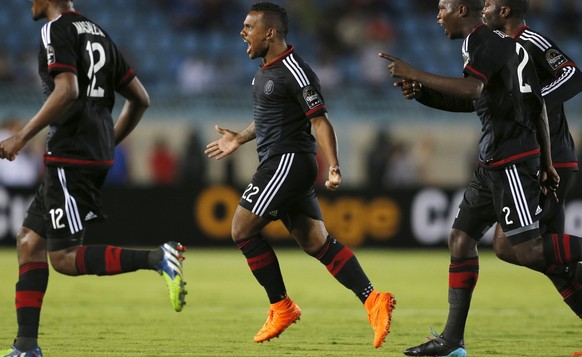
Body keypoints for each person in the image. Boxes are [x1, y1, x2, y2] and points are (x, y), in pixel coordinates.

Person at [379, 0, 582, 355]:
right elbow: (498, 102)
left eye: (442, 7)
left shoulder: (486, 41)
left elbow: (477, 91)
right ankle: (452, 341)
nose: (437, 14)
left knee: (532, 250)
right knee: (461, 240)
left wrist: (415, 73)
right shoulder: (500, 44)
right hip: (494, 162)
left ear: (461, 10)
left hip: (512, 161)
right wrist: (425, 94)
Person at [205, 2, 396, 349]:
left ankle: (281, 306)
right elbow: (267, 118)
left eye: (249, 27)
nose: (242, 33)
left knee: (241, 229)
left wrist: (335, 165)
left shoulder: (296, 70)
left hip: (287, 162)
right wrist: (239, 138)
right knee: (315, 241)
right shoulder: (264, 70)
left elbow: (319, 120)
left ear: (270, 33)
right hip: (283, 162)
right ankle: (373, 300)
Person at [0, 1, 186, 356]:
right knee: (28, 242)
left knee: (64, 258)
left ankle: (158, 259)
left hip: (71, 153)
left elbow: (66, 89)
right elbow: (140, 99)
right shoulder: (97, 32)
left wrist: (21, 137)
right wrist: (107, 142)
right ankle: (26, 347)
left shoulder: (55, 29)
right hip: (87, 152)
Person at [482, 0, 582, 321]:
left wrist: (533, 99)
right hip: (531, 161)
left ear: (506, 11)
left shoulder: (531, 41)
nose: (483, 9)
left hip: (550, 160)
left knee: (509, 245)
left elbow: (573, 75)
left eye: (488, 4)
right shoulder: (499, 52)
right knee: (551, 262)